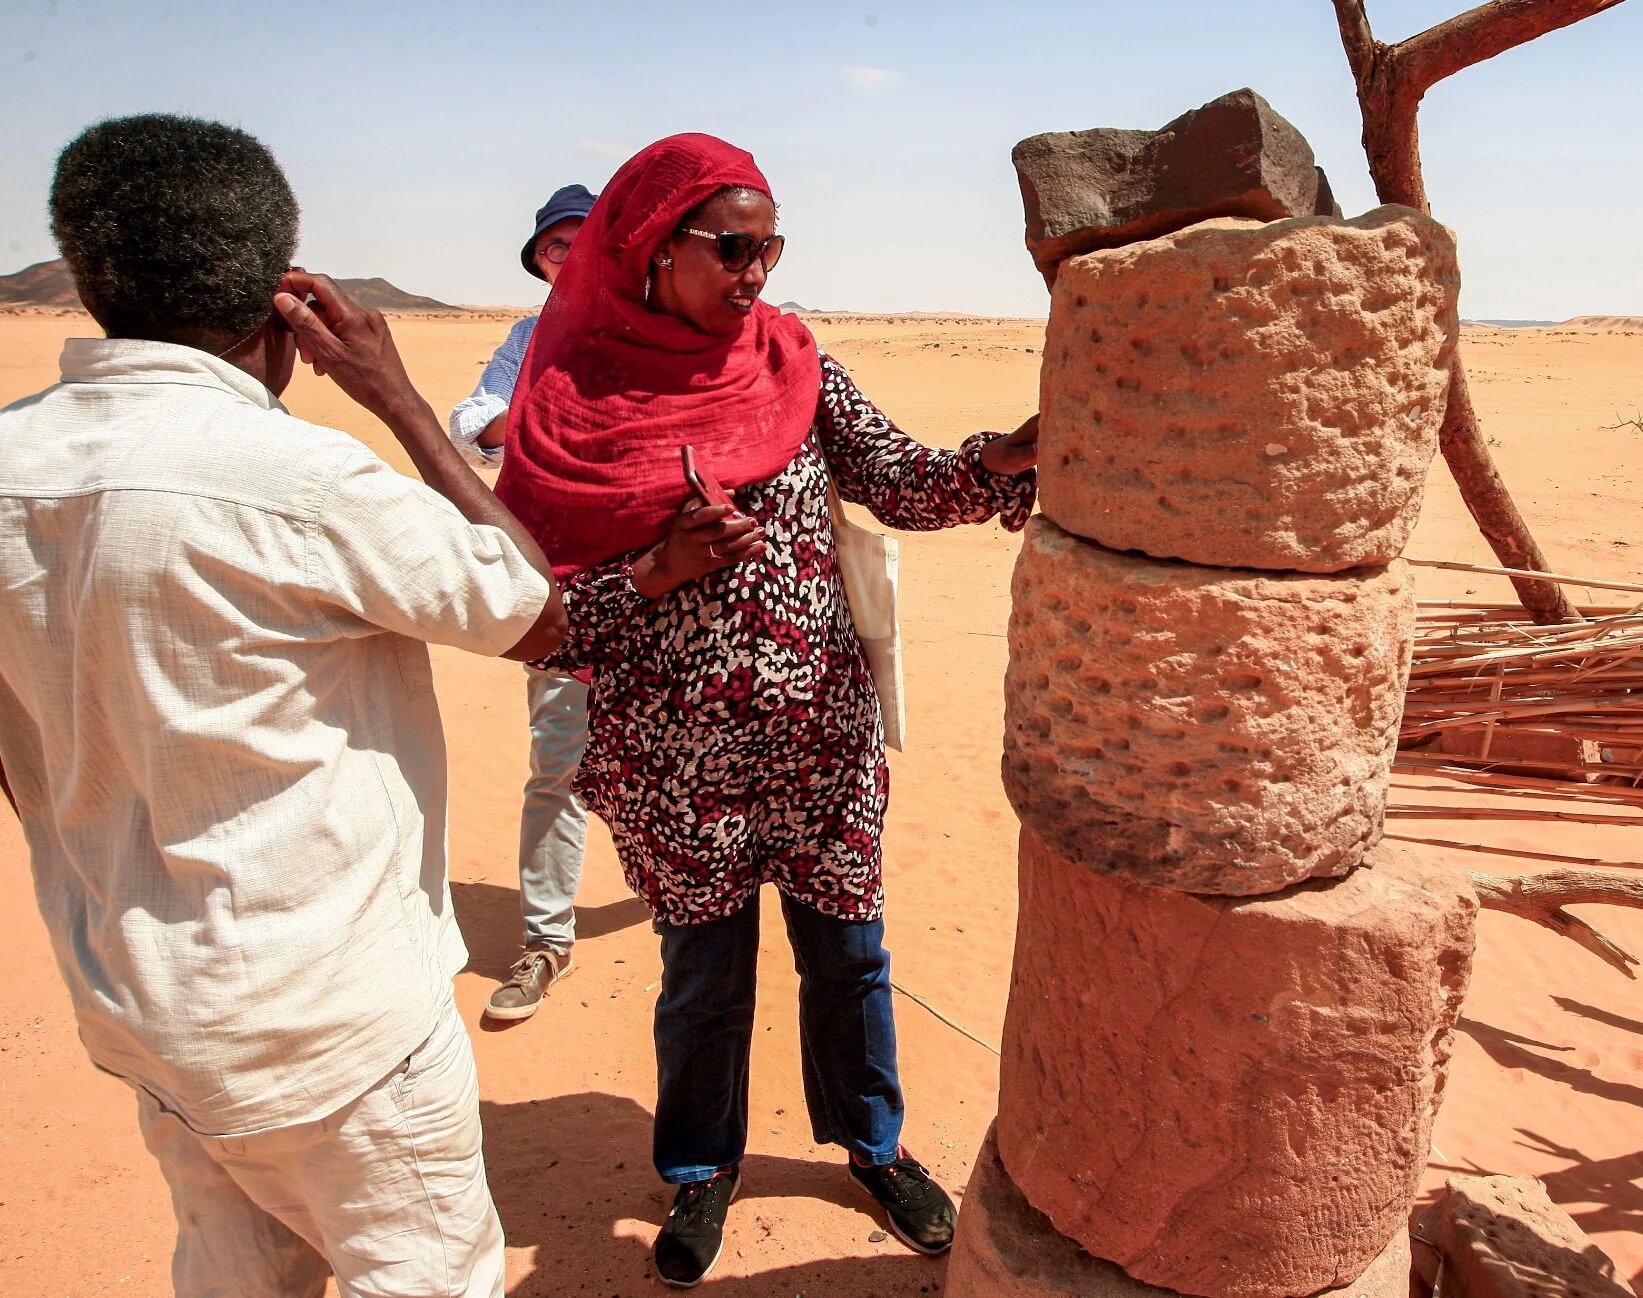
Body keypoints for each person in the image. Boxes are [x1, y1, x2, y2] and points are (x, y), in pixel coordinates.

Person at [0, 114, 567, 1298]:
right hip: (339, 1027)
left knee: (231, 1264)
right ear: (281, 297)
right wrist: (401, 402)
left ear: (88, 272)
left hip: (142, 1009)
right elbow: (531, 608)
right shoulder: (305, 481)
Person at [493, 132, 1038, 1287]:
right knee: (704, 974)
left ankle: (872, 1147)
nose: (756, 270)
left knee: (847, 956)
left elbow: (903, 478)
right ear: (649, 249)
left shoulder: (796, 365)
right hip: (675, 757)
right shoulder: (575, 402)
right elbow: (527, 613)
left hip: (819, 739)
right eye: (731, 245)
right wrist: (656, 569)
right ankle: (697, 1170)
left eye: (769, 244)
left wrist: (997, 456)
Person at [448, 182, 598, 1022]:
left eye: (586, 239)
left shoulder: (666, 326)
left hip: (676, 578)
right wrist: (552, 409)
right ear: (539, 260)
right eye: (554, 245)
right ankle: (546, 940)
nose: (570, 256)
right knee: (559, 765)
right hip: (566, 579)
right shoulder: (528, 338)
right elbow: (476, 420)